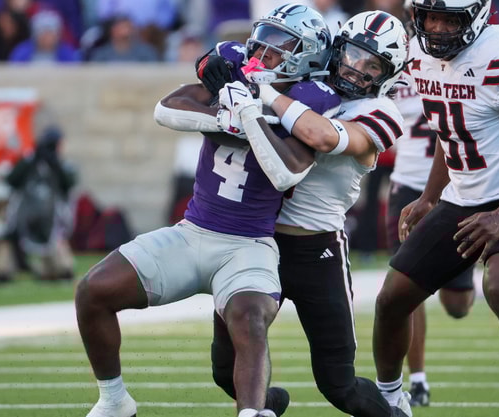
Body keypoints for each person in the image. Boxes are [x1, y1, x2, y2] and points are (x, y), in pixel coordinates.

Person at [77, 4, 339, 417]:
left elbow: (287, 171)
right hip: (192, 231)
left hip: (248, 244)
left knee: (250, 318)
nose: (263, 53)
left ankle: (252, 412)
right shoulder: (235, 68)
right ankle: (114, 400)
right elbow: (167, 108)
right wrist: (224, 115)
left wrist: (249, 116)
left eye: (278, 46)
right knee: (93, 291)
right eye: (263, 40)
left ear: (305, 55)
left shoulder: (310, 100)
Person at [212, 10, 414, 417]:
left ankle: (395, 411)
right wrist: (229, 67)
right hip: (257, 243)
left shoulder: (380, 111)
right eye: (352, 55)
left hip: (316, 250)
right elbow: (231, 56)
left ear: (387, 74)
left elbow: (320, 135)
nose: (356, 69)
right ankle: (269, 404)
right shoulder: (308, 82)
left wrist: (260, 90)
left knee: (338, 384)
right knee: (225, 370)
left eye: (372, 64)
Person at [372, 1, 499, 417]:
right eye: (430, 17)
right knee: (392, 298)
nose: (438, 28)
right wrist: (429, 197)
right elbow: (453, 131)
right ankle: (389, 400)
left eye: (450, 19)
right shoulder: (419, 57)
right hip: (462, 197)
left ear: (476, 18)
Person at [384, 20, 475, 409]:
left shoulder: (459, 70)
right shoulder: (393, 73)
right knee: (407, 288)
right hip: (408, 188)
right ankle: (416, 379)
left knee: (457, 304)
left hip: (457, 189)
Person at [0, 125, 77, 284]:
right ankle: (3, 269)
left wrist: (54, 164)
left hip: (49, 214)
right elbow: (11, 180)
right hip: (26, 213)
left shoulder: (60, 165)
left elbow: (69, 184)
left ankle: (57, 268)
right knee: (11, 236)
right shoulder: (30, 160)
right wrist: (31, 158)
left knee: (55, 242)